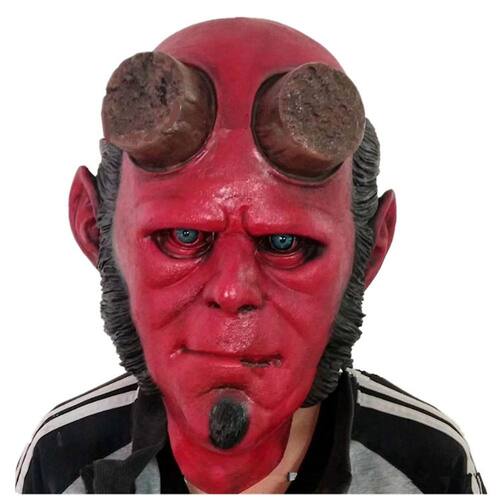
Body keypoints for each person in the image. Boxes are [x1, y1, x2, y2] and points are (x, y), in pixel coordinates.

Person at [15, 18, 486, 494]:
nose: (232, 290)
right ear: (96, 230)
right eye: (182, 236)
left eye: (285, 243)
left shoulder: (429, 469)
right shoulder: (63, 462)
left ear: (370, 250)